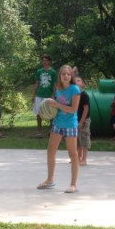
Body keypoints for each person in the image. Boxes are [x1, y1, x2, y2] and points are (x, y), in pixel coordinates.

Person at [36, 65, 81, 193]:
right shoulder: (58, 89)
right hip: (57, 124)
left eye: (68, 74)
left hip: (70, 125)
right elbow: (57, 108)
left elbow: (73, 110)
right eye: (63, 74)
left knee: (73, 154)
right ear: (60, 76)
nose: (66, 76)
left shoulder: (75, 89)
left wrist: (56, 104)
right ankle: (50, 180)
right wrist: (48, 110)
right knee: (50, 151)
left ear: (71, 76)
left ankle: (73, 184)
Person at [31, 54, 58, 138]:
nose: (44, 62)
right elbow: (37, 83)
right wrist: (33, 95)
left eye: (46, 60)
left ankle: (51, 131)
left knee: (51, 112)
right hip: (39, 94)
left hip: (49, 95)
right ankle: (39, 131)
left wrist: (53, 96)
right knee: (39, 113)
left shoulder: (53, 72)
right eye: (43, 60)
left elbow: (55, 85)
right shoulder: (39, 71)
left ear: (49, 61)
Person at [75, 77, 91, 165]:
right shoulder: (75, 95)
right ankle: (78, 158)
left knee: (84, 138)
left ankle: (84, 159)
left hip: (84, 120)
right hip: (76, 120)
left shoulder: (84, 95)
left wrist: (81, 121)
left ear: (83, 84)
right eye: (75, 80)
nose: (76, 82)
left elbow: (86, 109)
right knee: (77, 139)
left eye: (78, 80)